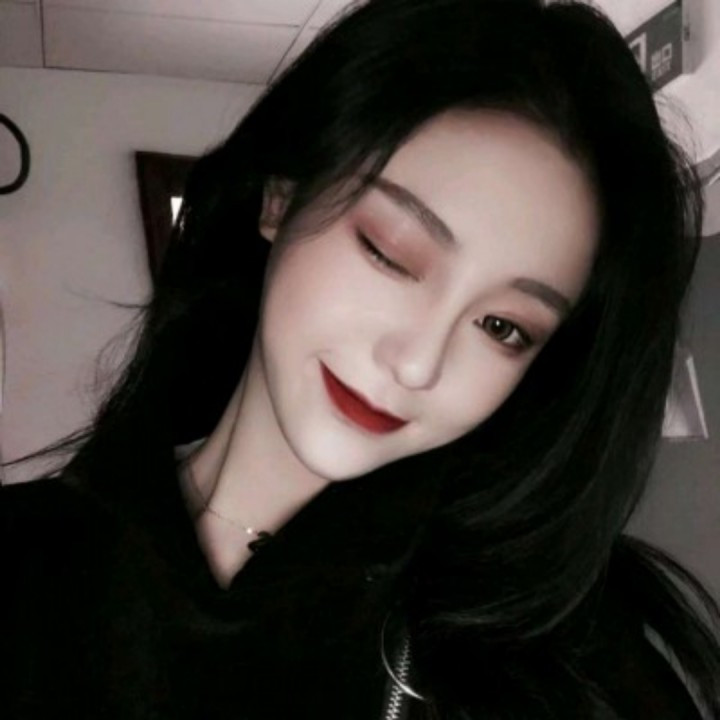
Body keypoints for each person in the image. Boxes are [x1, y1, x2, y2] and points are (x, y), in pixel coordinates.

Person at [2, 0, 719, 718]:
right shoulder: (28, 563)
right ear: (281, 197)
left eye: (502, 326)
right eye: (389, 252)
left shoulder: (555, 653)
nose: (417, 364)